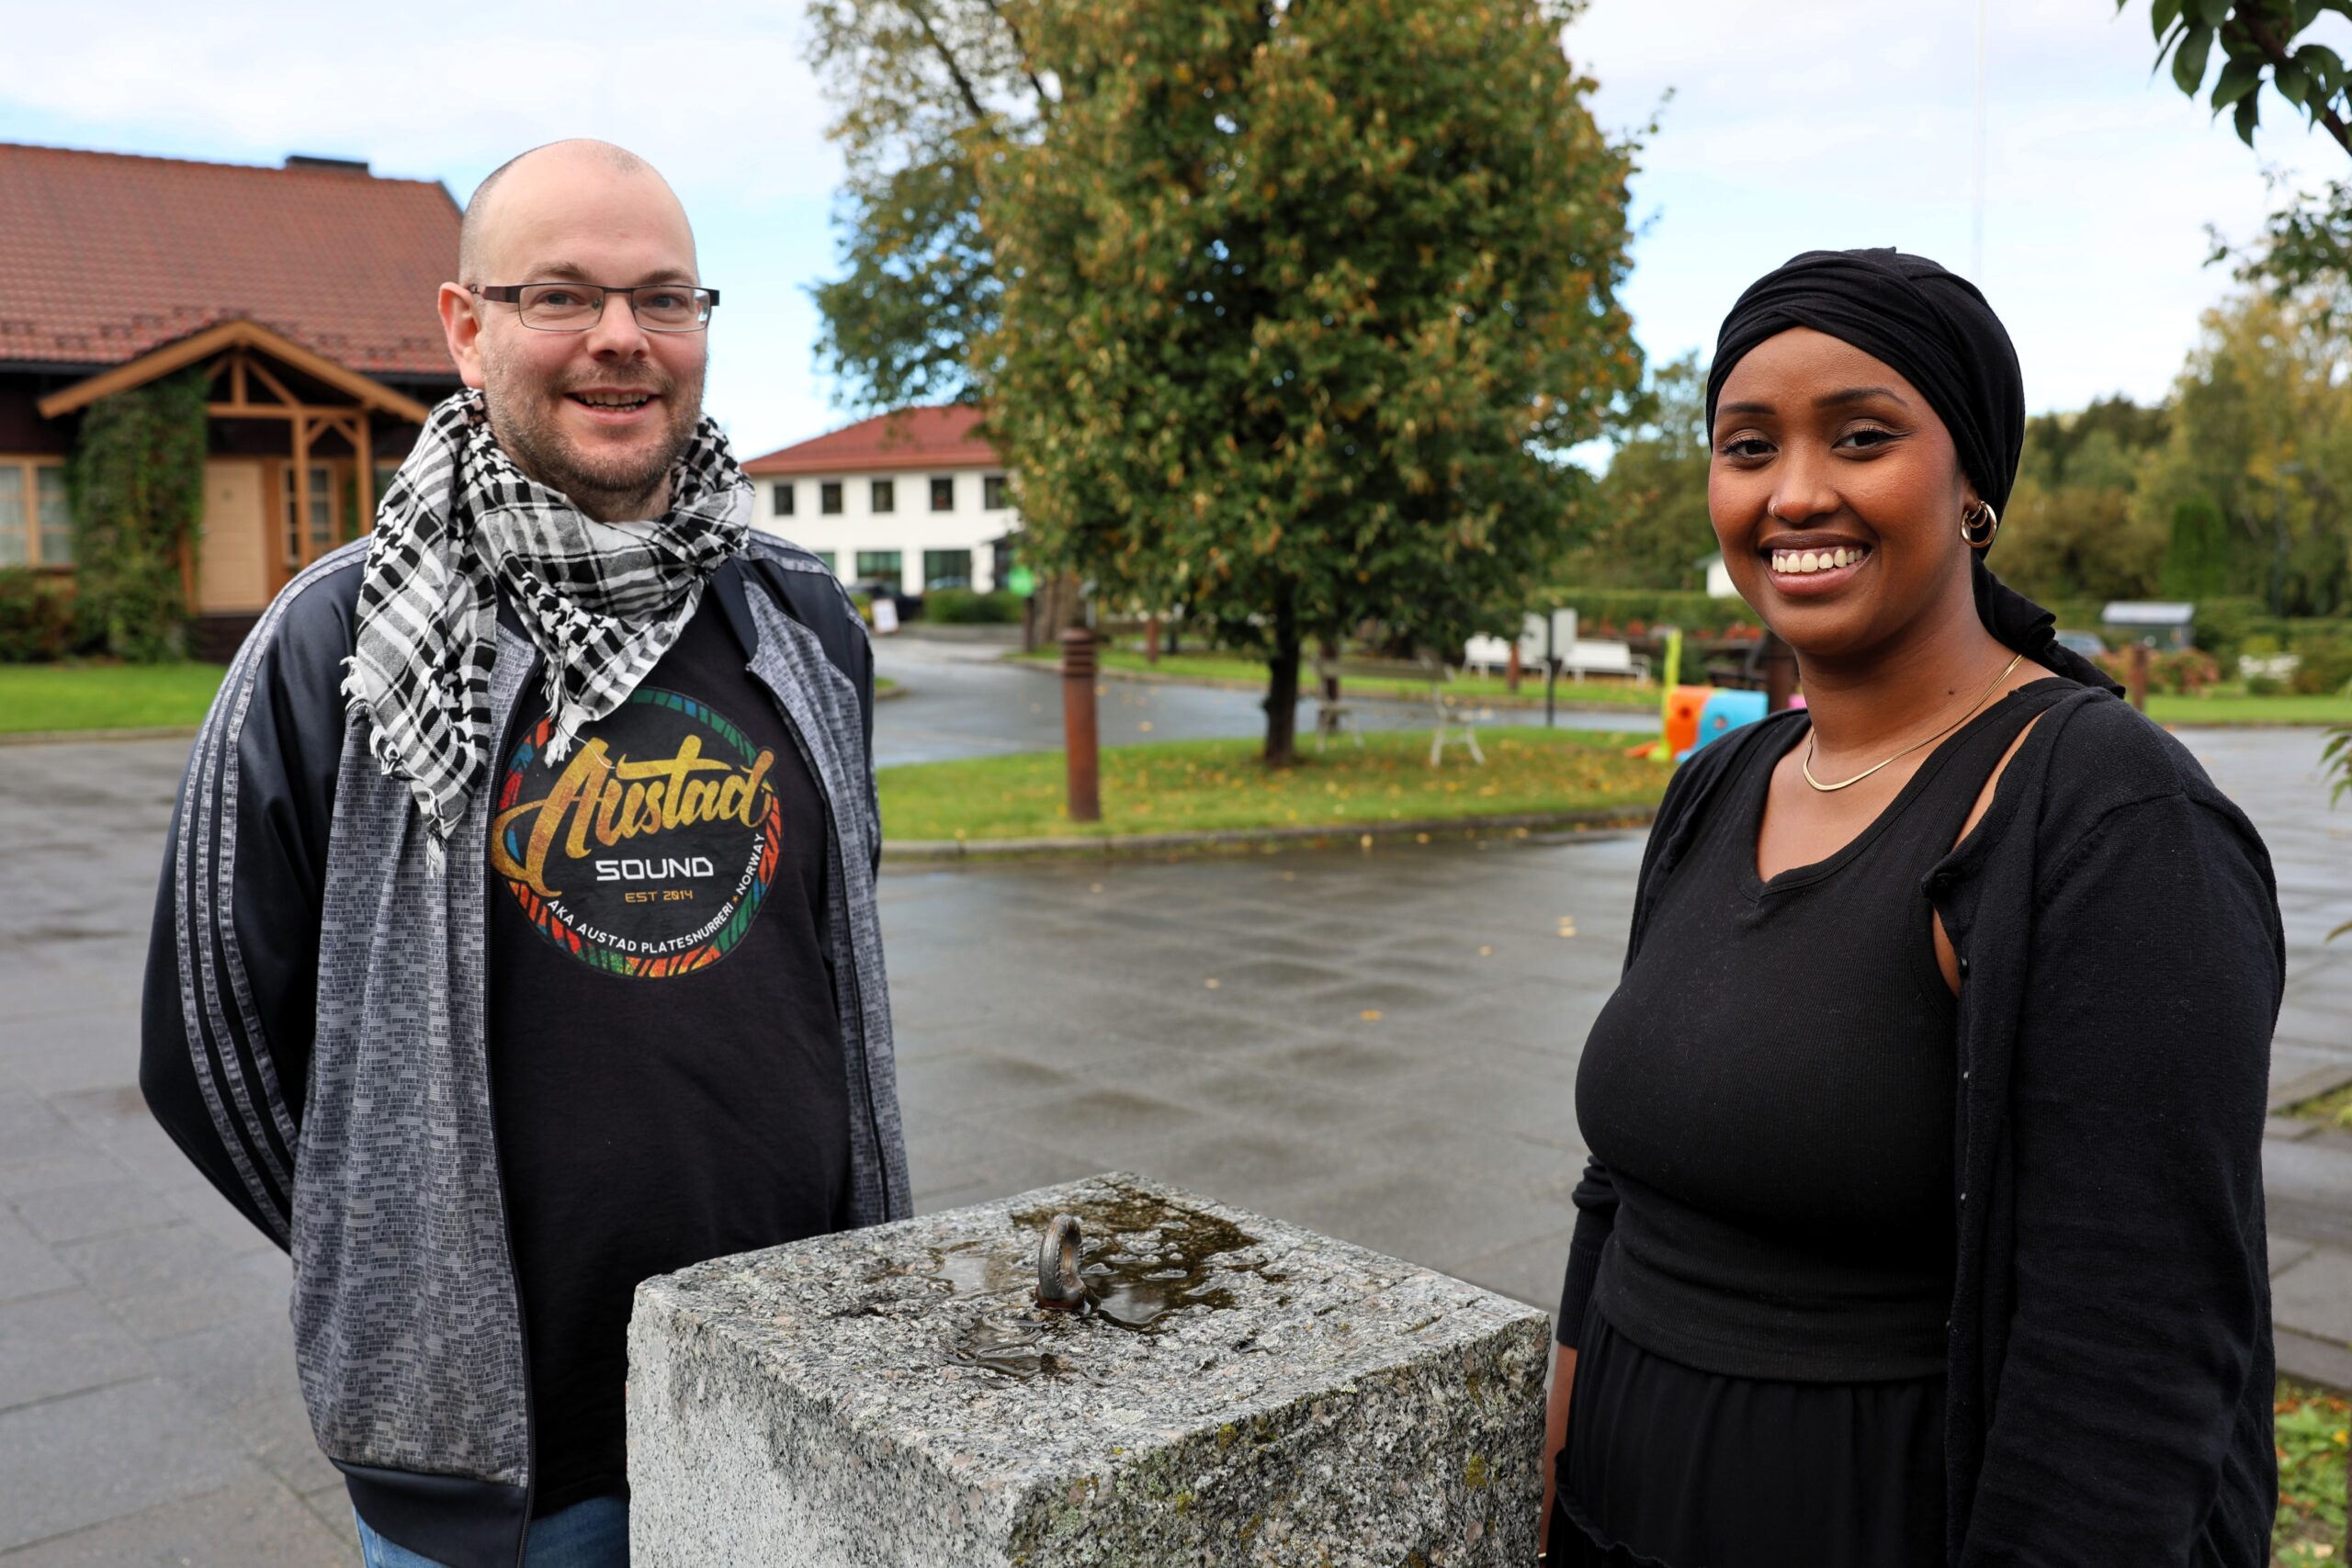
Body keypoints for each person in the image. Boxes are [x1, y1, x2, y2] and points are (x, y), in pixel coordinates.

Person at [140, 140, 910, 1568]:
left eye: (663, 299)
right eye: (562, 295)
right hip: (504, 1478)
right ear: (465, 326)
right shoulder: (343, 641)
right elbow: (209, 1044)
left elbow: (829, 952)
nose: (622, 339)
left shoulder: (804, 624)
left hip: (799, 1407)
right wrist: (393, 1254)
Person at [1541, 249, 2281, 1565]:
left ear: (1972, 485)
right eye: (1747, 445)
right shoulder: (1720, 785)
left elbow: (2132, 1364)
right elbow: (1622, 1196)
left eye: (1864, 436)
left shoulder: (2107, 821)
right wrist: (1548, 1456)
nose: (1795, 492)